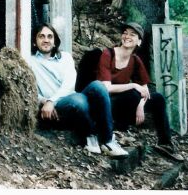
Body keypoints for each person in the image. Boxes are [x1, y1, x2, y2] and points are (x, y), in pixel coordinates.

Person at [28, 22, 129, 157]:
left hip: (66, 98)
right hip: (59, 108)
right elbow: (30, 90)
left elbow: (69, 84)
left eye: (50, 36)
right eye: (41, 36)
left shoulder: (65, 57)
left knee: (98, 86)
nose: (46, 40)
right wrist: (44, 101)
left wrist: (51, 100)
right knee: (79, 101)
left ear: (55, 41)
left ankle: (108, 141)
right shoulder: (30, 61)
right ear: (34, 42)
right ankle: (91, 134)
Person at [97, 21, 184, 162]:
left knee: (158, 98)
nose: (127, 36)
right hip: (106, 104)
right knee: (133, 93)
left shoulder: (135, 60)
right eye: (125, 33)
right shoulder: (108, 54)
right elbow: (105, 88)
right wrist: (132, 85)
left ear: (139, 41)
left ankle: (165, 143)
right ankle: (115, 127)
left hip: (125, 106)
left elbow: (145, 90)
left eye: (132, 34)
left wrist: (141, 106)